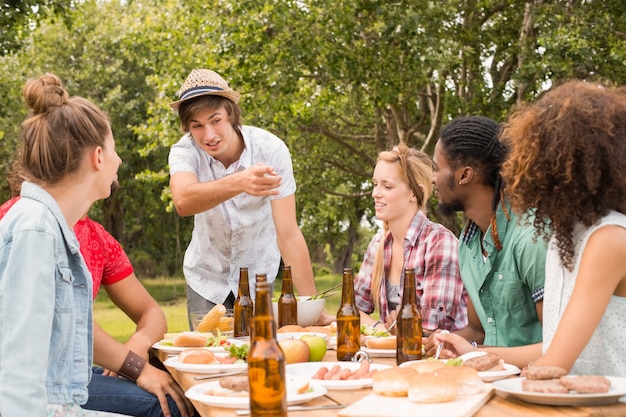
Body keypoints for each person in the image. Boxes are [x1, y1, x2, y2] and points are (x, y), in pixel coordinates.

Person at [434, 80, 626, 376]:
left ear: (564, 169)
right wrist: (472, 354)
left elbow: (554, 362)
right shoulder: (566, 238)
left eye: (533, 160)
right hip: (569, 400)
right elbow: (552, 347)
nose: (518, 173)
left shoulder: (609, 238)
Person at [0, 178, 193, 417]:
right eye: (111, 147)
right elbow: (63, 320)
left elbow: (151, 312)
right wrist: (135, 367)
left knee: (177, 386)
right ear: (96, 157)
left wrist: (139, 343)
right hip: (30, 383)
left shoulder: (98, 238)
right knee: (169, 403)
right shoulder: (32, 222)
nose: (119, 160)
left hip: (68, 372)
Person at [0, 73, 125, 416]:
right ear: (98, 157)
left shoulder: (50, 227)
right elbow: (19, 374)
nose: (119, 161)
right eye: (115, 150)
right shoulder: (36, 231)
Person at [168, 69, 331, 325]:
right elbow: (183, 201)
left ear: (231, 114)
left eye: (215, 120)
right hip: (206, 280)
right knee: (213, 361)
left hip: (259, 281)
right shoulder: (184, 152)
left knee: (259, 359)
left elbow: (288, 234)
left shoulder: (271, 150)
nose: (209, 135)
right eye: (197, 126)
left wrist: (312, 305)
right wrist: (239, 182)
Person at [429, 115, 548, 349]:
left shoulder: (531, 238)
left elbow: (557, 348)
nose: (433, 179)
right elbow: (477, 331)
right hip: (490, 381)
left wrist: (478, 356)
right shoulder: (468, 242)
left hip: (534, 383)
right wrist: (445, 342)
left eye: (436, 169)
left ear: (464, 175)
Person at [354, 143, 468, 334]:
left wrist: (396, 327)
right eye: (375, 184)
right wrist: (380, 327)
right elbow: (353, 308)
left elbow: (432, 327)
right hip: (398, 356)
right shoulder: (378, 244)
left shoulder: (439, 243)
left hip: (441, 358)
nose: (375, 193)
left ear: (415, 193)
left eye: (387, 186)